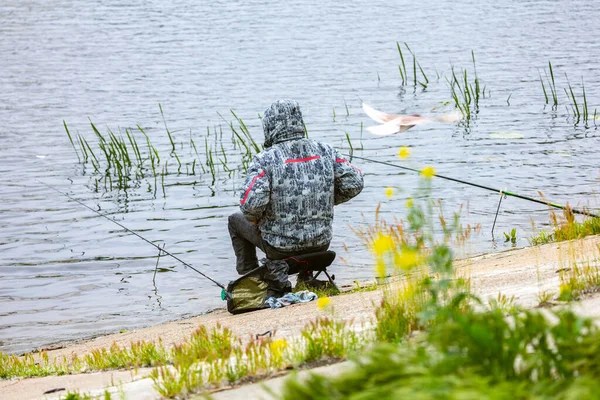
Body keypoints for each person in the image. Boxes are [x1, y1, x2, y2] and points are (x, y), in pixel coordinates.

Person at [228, 99, 364, 291]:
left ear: (269, 125)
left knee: (235, 220)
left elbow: (250, 206)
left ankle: (251, 277)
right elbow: (355, 183)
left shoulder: (265, 159)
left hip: (280, 249)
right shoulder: (325, 150)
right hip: (321, 243)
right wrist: (326, 200)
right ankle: (306, 276)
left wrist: (256, 220)